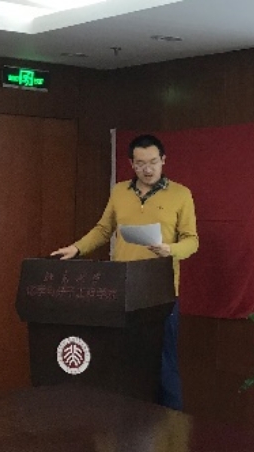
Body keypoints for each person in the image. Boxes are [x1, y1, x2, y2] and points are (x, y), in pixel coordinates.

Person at [52, 134, 198, 411]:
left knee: (164, 364)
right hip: (123, 291)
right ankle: (129, 422)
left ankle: (173, 426)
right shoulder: (120, 191)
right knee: (124, 362)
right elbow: (103, 229)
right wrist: (77, 248)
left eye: (153, 162)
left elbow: (192, 241)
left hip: (162, 295)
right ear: (131, 164)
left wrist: (170, 249)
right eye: (140, 163)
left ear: (163, 160)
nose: (147, 169)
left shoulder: (181, 194)